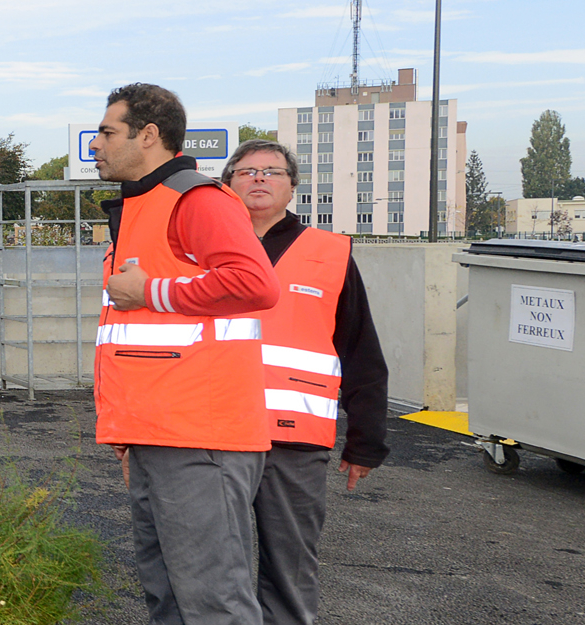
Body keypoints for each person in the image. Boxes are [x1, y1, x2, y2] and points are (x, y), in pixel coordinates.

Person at [89, 83, 281, 625]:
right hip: (159, 436)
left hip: (201, 439)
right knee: (168, 599)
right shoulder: (143, 207)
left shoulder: (196, 199)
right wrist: (129, 436)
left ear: (148, 136)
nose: (95, 147)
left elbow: (255, 284)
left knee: (214, 604)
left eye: (107, 132)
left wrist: (151, 291)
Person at [220, 140, 389, 625]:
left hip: (294, 440)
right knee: (213, 572)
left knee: (289, 571)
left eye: (272, 171)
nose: (258, 179)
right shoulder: (205, 248)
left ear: (292, 186)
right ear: (227, 185)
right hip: (214, 433)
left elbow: (361, 351)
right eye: (246, 171)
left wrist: (365, 442)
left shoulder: (328, 254)